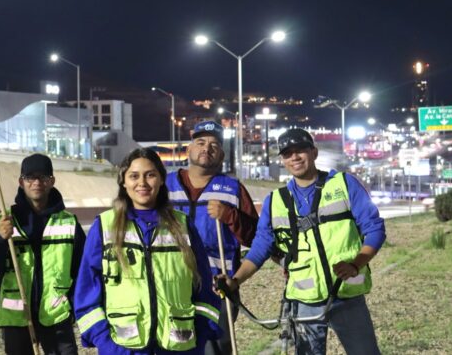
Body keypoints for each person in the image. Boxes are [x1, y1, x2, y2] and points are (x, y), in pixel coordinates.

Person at [219, 128, 385, 354]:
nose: (295, 157)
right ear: (283, 161)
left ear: (314, 153)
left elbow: (374, 228)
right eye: (288, 154)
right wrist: (234, 281)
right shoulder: (275, 200)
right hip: (304, 300)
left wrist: (356, 264)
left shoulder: (344, 184)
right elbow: (260, 248)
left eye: (300, 151)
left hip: (347, 294)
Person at [75, 148, 222, 354]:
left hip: (179, 348)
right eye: (134, 176)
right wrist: (107, 344)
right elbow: (86, 294)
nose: (142, 183)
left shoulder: (183, 226)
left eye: (150, 175)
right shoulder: (104, 227)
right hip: (124, 349)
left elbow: (204, 289)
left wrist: (200, 336)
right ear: (123, 182)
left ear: (162, 180)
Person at [164, 120, 259, 354]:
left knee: (214, 349)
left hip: (218, 287)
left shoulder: (233, 189)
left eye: (214, 144)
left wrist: (230, 216)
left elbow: (255, 237)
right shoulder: (163, 186)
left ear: (222, 155)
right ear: (189, 150)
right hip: (171, 283)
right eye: (201, 142)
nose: (207, 148)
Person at [0, 153, 85, 355]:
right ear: (21, 181)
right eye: (30, 177)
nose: (37, 183)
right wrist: (0, 239)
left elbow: (83, 271)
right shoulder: (3, 222)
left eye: (43, 177)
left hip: (56, 317)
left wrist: (71, 303)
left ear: (52, 181)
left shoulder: (69, 223)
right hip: (17, 319)